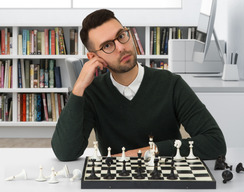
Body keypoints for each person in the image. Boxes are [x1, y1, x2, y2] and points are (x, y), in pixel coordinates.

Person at [51, 9, 226, 161]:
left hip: (167, 178)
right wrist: (79, 87)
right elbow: (65, 153)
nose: (121, 47)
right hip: (115, 181)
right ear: (94, 58)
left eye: (121, 36)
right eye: (107, 45)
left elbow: (215, 142)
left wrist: (144, 152)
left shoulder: (171, 84)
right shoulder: (92, 92)